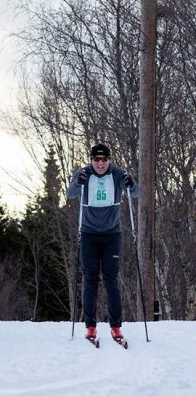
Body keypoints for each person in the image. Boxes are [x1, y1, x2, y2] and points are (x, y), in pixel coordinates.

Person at [67, 143, 138, 342]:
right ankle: (90, 327)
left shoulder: (117, 174)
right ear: (91, 159)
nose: (100, 163)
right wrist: (77, 183)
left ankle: (116, 327)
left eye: (104, 159)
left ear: (109, 159)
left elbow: (135, 193)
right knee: (90, 280)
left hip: (112, 235)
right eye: (96, 159)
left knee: (111, 280)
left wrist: (131, 183)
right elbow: (70, 194)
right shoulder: (83, 173)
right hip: (89, 234)